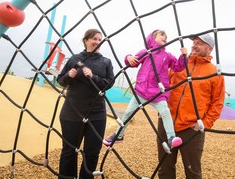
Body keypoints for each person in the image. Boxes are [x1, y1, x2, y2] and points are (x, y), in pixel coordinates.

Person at [103, 29, 187, 150]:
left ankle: (171, 138)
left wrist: (183, 56)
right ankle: (119, 135)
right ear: (153, 38)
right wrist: (129, 57)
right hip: (141, 90)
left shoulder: (167, 56)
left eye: (166, 36)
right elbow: (133, 62)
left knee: (165, 112)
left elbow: (178, 67)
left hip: (158, 92)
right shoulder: (146, 52)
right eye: (162, 35)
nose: (165, 37)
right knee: (128, 113)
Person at [157, 33, 225, 179]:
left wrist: (204, 123)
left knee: (193, 171)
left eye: (200, 43)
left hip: (192, 128)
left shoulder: (214, 73)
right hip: (167, 124)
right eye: (194, 42)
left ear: (210, 49)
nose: (194, 45)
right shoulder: (179, 65)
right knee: (164, 169)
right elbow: (165, 86)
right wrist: (161, 109)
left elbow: (217, 103)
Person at [56, 29, 115, 179]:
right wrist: (69, 76)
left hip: (96, 114)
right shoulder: (75, 59)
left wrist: (93, 77)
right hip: (72, 112)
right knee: (69, 151)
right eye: (94, 38)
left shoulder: (106, 62)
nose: (97, 42)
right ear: (86, 40)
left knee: (92, 153)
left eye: (99, 39)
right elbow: (61, 80)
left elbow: (109, 83)